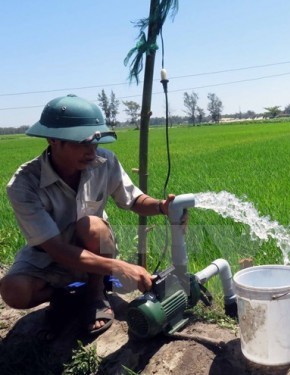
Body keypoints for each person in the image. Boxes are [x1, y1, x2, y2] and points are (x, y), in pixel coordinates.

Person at [0, 94, 181, 337]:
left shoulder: (105, 162)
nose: (91, 150)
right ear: (54, 139)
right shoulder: (24, 184)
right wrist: (120, 267)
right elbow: (56, 249)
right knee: (13, 291)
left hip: (94, 247)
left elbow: (134, 200)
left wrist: (162, 207)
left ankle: (95, 295)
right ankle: (65, 296)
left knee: (92, 225)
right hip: (48, 257)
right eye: (83, 142)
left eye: (95, 141)